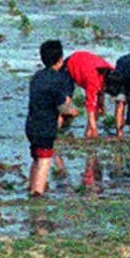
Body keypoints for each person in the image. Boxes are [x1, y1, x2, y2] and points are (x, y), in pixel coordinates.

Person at [25, 40, 77, 197]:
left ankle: (31, 186)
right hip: (45, 126)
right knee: (45, 160)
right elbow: (62, 106)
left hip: (31, 124)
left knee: (36, 157)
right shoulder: (57, 80)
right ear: (60, 59)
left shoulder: (36, 77)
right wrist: (73, 112)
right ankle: (37, 193)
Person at [63, 50, 114, 138]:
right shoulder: (93, 80)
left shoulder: (111, 71)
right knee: (66, 107)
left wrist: (101, 103)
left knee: (97, 108)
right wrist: (95, 128)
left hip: (84, 63)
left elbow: (101, 91)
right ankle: (57, 132)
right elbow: (90, 106)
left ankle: (88, 133)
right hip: (70, 66)